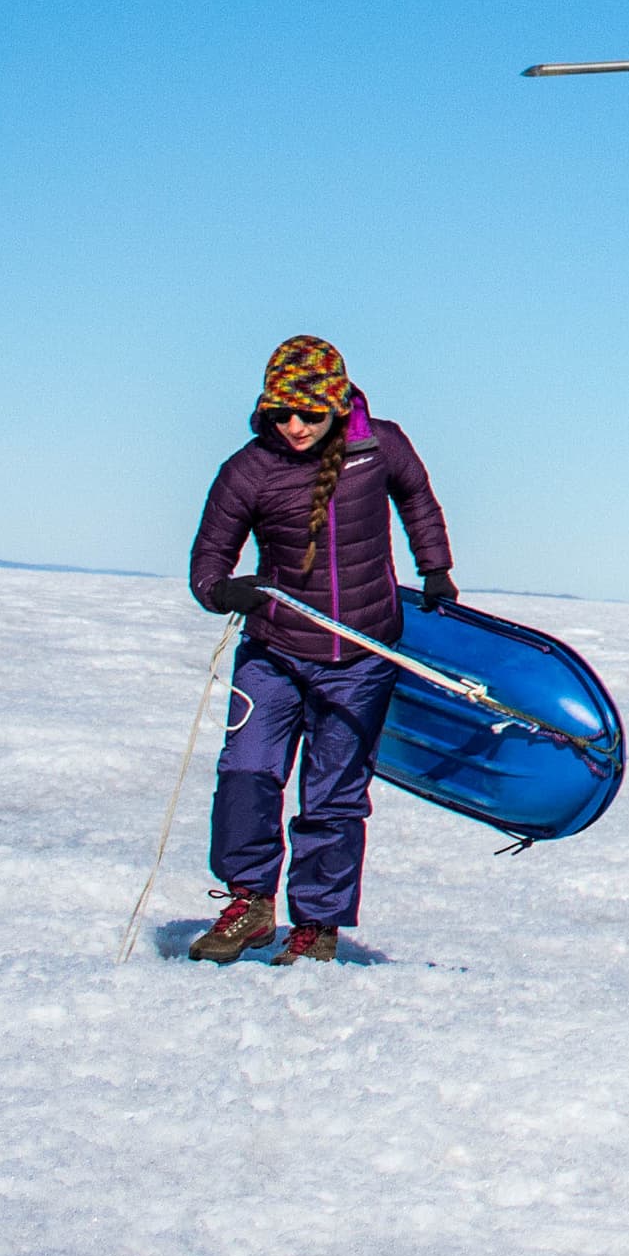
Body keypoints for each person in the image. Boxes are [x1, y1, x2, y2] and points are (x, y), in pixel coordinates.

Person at [183, 336, 456, 967]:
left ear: (337, 404)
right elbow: (209, 558)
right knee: (246, 774)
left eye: (309, 413)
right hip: (275, 651)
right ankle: (249, 903)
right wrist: (222, 591)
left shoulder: (380, 445)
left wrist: (435, 567)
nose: (295, 426)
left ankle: (317, 925)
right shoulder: (248, 470)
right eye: (281, 414)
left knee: (333, 795)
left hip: (362, 656)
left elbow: (416, 498)